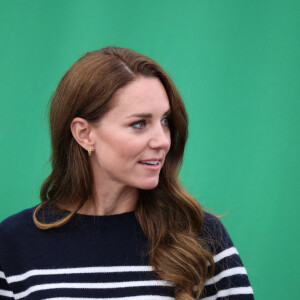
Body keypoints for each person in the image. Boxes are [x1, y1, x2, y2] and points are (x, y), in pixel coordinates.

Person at [0, 46, 254, 300]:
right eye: (139, 124)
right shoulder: (12, 243)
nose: (162, 141)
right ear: (84, 134)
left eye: (165, 121)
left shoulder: (200, 237)